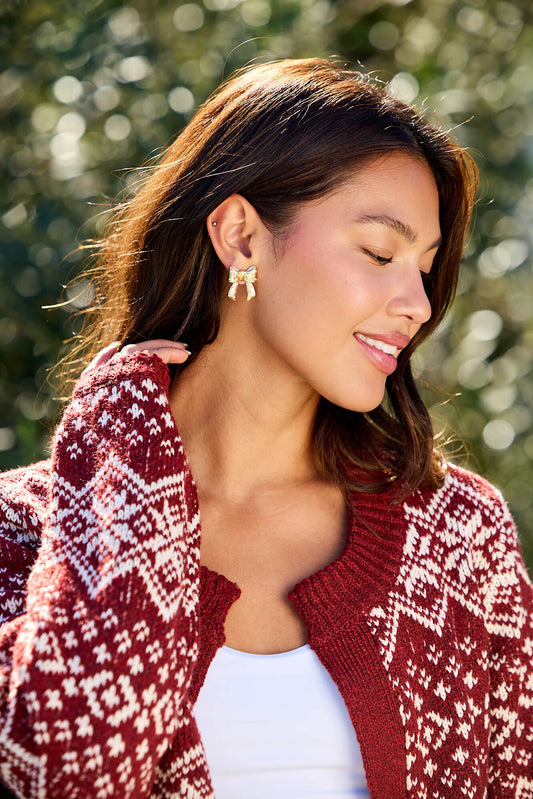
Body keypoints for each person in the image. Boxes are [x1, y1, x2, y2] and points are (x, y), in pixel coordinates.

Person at [0, 57, 531, 799]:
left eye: (423, 267)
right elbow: (64, 774)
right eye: (379, 252)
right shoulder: (25, 533)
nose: (415, 302)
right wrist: (117, 448)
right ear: (242, 238)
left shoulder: (458, 538)